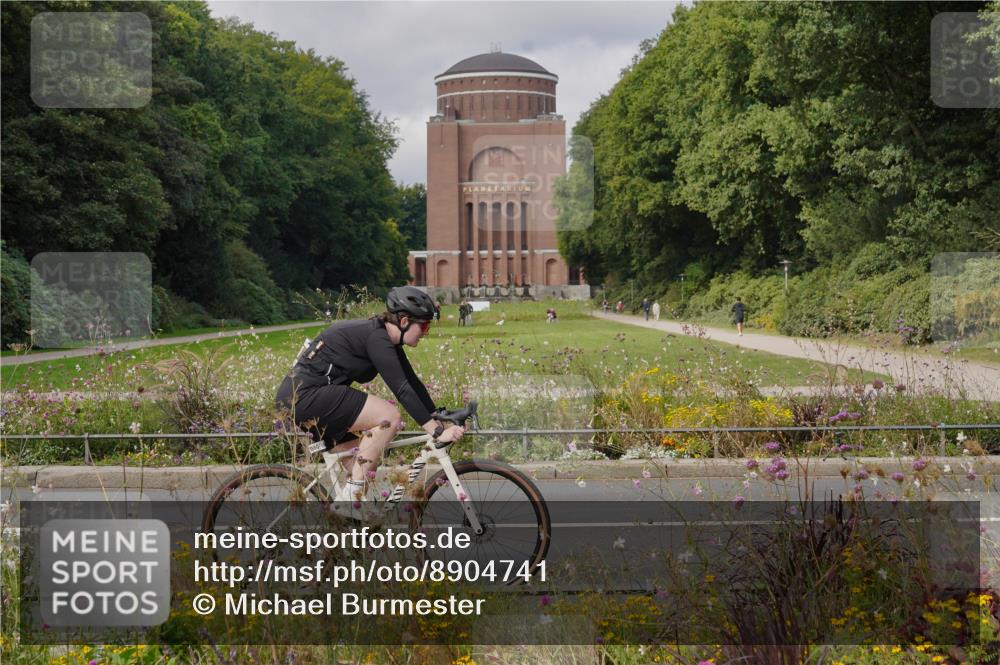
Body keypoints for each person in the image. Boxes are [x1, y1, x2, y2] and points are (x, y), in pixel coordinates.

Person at [275, 286, 465, 503]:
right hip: (305, 397)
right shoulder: (377, 338)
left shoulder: (385, 339)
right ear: (404, 321)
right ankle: (351, 498)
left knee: (362, 470)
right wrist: (436, 431)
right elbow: (401, 389)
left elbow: (412, 382)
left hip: (313, 399)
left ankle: (349, 524)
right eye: (424, 325)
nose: (426, 332)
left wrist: (439, 415)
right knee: (389, 417)